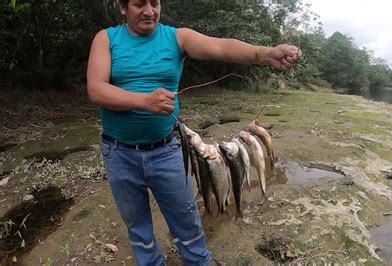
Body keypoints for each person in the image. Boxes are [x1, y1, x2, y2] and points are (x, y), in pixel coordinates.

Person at [86, 0, 301, 265]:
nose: (149, 11)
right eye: (139, 4)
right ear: (122, 7)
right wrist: (144, 101)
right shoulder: (106, 39)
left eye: (154, 3)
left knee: (186, 216)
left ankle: (199, 261)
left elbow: (221, 46)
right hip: (119, 154)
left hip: (166, 151)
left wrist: (265, 54)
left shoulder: (177, 37)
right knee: (137, 224)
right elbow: (96, 89)